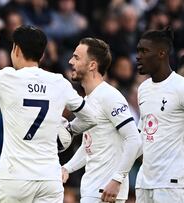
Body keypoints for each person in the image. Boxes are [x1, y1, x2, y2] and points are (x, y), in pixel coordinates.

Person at [0, 24, 97, 202]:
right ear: (42, 54)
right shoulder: (59, 82)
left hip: (15, 177)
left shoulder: (6, 78)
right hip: (50, 178)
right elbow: (91, 118)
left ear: (16, 49)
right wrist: (69, 130)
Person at [62, 37, 141, 203]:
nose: (70, 61)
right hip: (93, 189)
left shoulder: (109, 96)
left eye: (76, 57)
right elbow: (90, 146)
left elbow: (134, 139)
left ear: (92, 65)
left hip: (105, 192)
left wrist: (117, 180)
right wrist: (67, 168)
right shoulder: (89, 100)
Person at [135, 28, 184, 202]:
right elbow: (143, 134)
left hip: (171, 185)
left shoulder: (180, 87)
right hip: (144, 182)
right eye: (138, 50)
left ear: (162, 53)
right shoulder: (143, 89)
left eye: (144, 51)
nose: (138, 56)